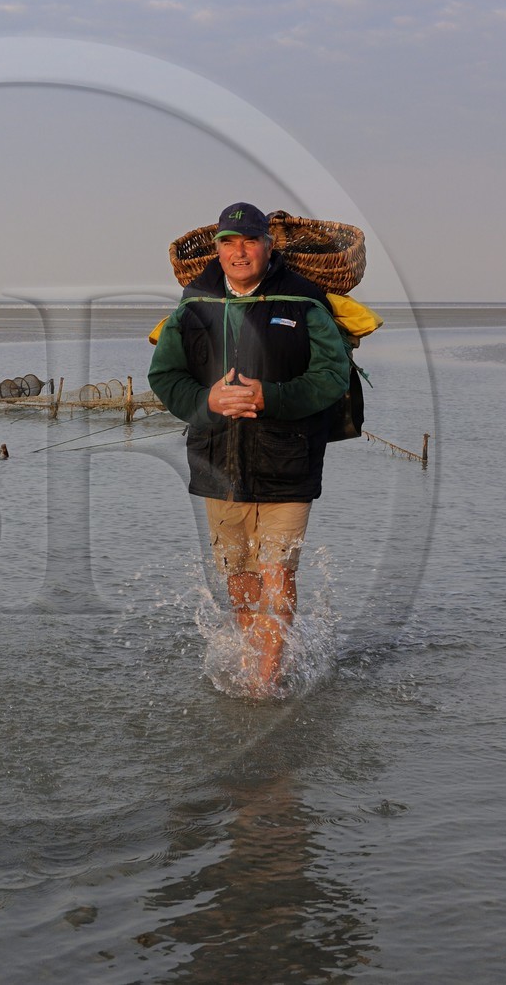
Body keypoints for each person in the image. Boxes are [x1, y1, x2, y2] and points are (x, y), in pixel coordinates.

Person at [148, 202, 351, 695]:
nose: (239, 252)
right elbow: (164, 375)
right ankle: (251, 655)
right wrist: (206, 399)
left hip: (289, 457)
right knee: (238, 574)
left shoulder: (303, 300)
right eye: (228, 243)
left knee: (277, 570)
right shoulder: (194, 302)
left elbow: (332, 376)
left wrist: (270, 396)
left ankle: (264, 681)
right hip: (217, 458)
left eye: (250, 240)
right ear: (216, 249)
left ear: (268, 244)